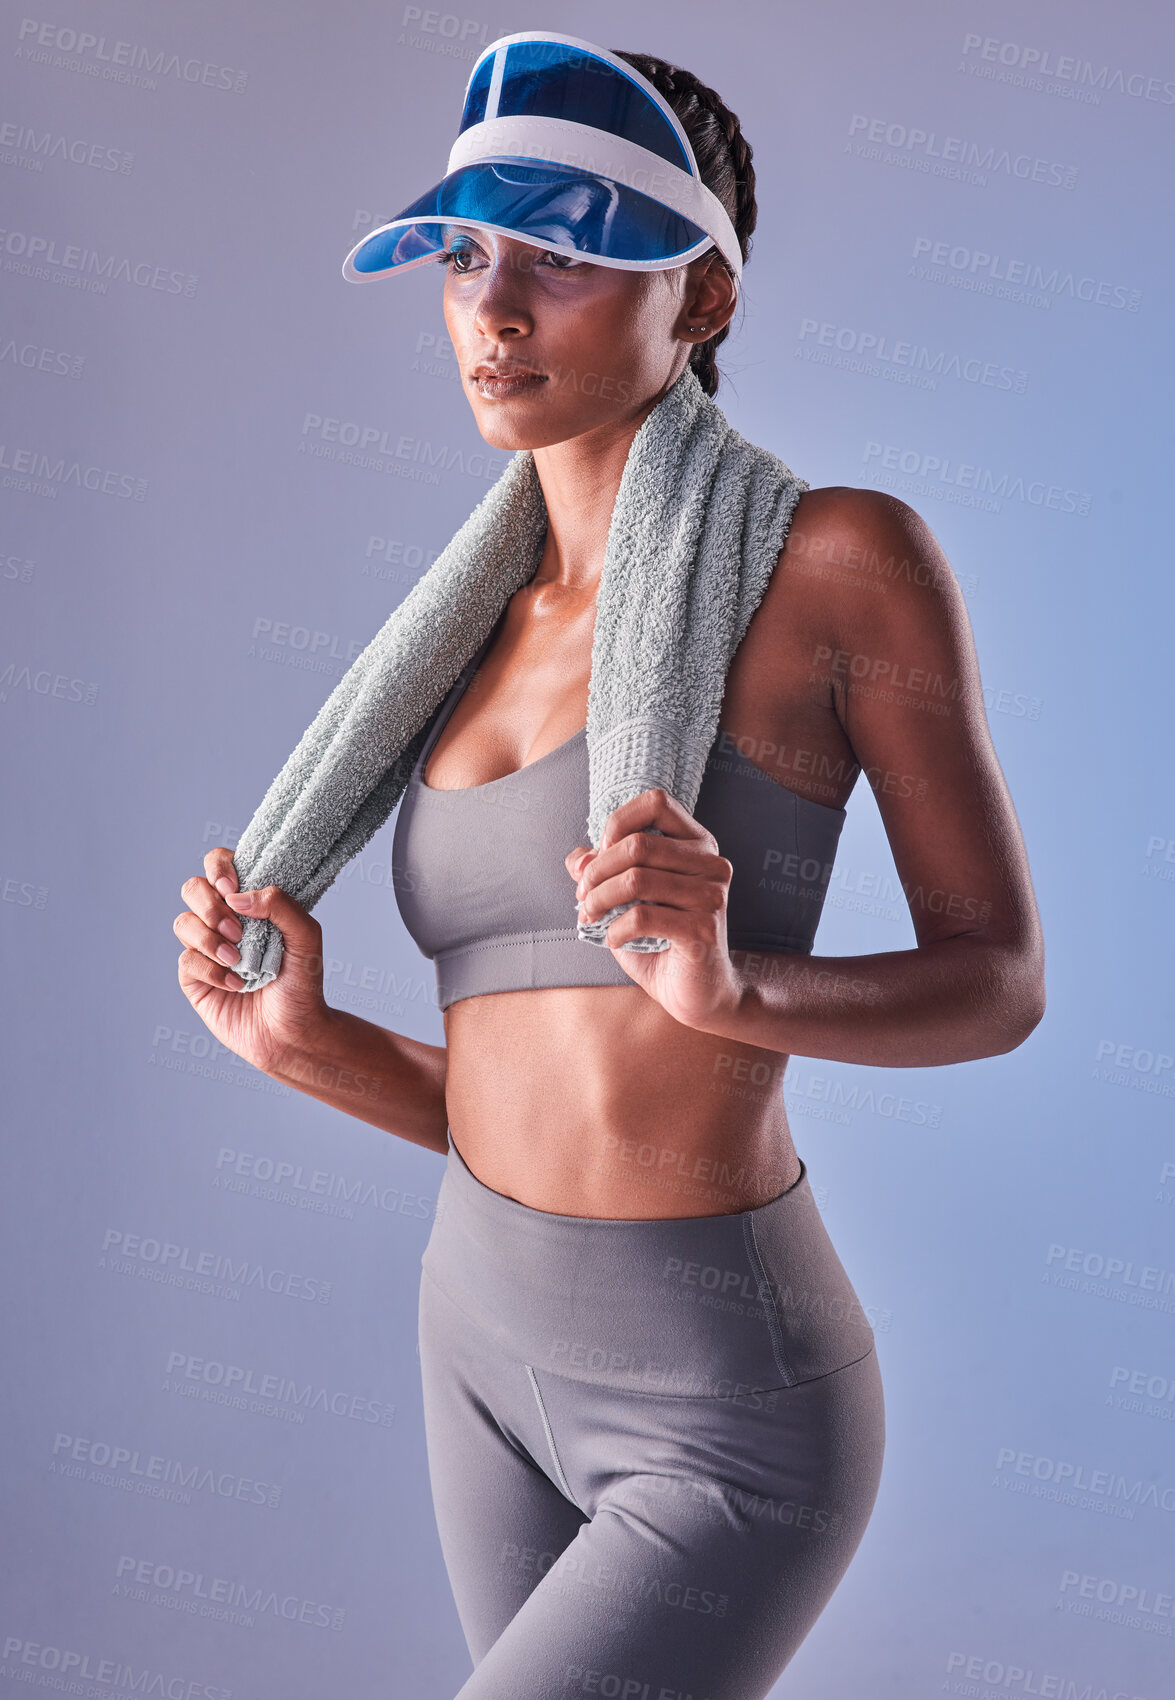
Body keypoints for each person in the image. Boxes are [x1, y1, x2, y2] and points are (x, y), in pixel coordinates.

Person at [174, 34, 1045, 1699]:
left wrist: (740, 988)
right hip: (475, 1348)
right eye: (466, 253)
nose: (494, 310)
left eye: (564, 257)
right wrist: (308, 1047)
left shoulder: (839, 560)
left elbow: (1000, 981)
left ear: (701, 300)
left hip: (720, 1401)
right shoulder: (469, 639)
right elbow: (535, 1081)